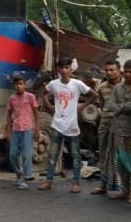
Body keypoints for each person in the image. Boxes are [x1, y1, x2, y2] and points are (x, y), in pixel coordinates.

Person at [38, 58, 98, 193]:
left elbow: (94, 95)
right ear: (59, 69)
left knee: (75, 155)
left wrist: (83, 106)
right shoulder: (54, 84)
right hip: (57, 124)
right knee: (53, 155)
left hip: (72, 125)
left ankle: (76, 183)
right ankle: (48, 181)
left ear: (71, 69)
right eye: (62, 68)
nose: (64, 70)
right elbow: (43, 93)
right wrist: (50, 106)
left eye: (67, 68)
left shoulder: (77, 84)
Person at [107, 59, 131, 203]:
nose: (128, 74)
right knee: (121, 162)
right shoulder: (118, 88)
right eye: (126, 72)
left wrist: (120, 107)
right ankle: (125, 190)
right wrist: (123, 107)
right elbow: (110, 104)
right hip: (118, 129)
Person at [5, 73, 39, 190]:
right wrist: (8, 131)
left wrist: (37, 129)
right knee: (12, 154)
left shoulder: (30, 97)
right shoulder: (12, 98)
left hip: (27, 129)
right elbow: (9, 115)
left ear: (24, 85)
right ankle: (18, 173)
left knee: (26, 155)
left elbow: (36, 113)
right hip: (15, 129)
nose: (18, 86)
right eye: (16, 84)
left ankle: (25, 178)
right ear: (14, 86)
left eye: (20, 84)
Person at [93, 60, 122, 195]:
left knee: (119, 156)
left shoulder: (125, 87)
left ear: (119, 71)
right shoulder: (102, 87)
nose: (109, 73)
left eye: (112, 70)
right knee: (103, 155)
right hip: (105, 123)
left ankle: (124, 187)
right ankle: (103, 185)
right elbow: (102, 105)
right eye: (107, 70)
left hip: (121, 125)